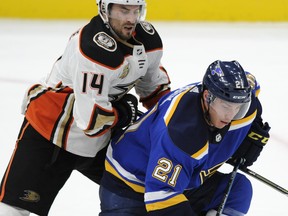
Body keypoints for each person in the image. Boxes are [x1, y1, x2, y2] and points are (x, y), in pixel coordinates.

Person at [0, 0, 171, 215]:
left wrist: (178, 121)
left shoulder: (147, 39)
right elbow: (92, 120)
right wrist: (124, 112)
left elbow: (154, 89)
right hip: (51, 132)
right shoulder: (93, 48)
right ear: (104, 10)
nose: (131, 18)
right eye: (123, 10)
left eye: (136, 10)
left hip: (103, 137)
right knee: (12, 210)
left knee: (153, 190)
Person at [99, 60, 271, 216]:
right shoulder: (181, 133)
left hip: (182, 183)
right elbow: (162, 197)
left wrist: (249, 128)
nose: (231, 115)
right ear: (207, 97)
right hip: (129, 189)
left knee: (238, 189)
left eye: (238, 108)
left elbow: (251, 85)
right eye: (226, 106)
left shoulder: (239, 99)